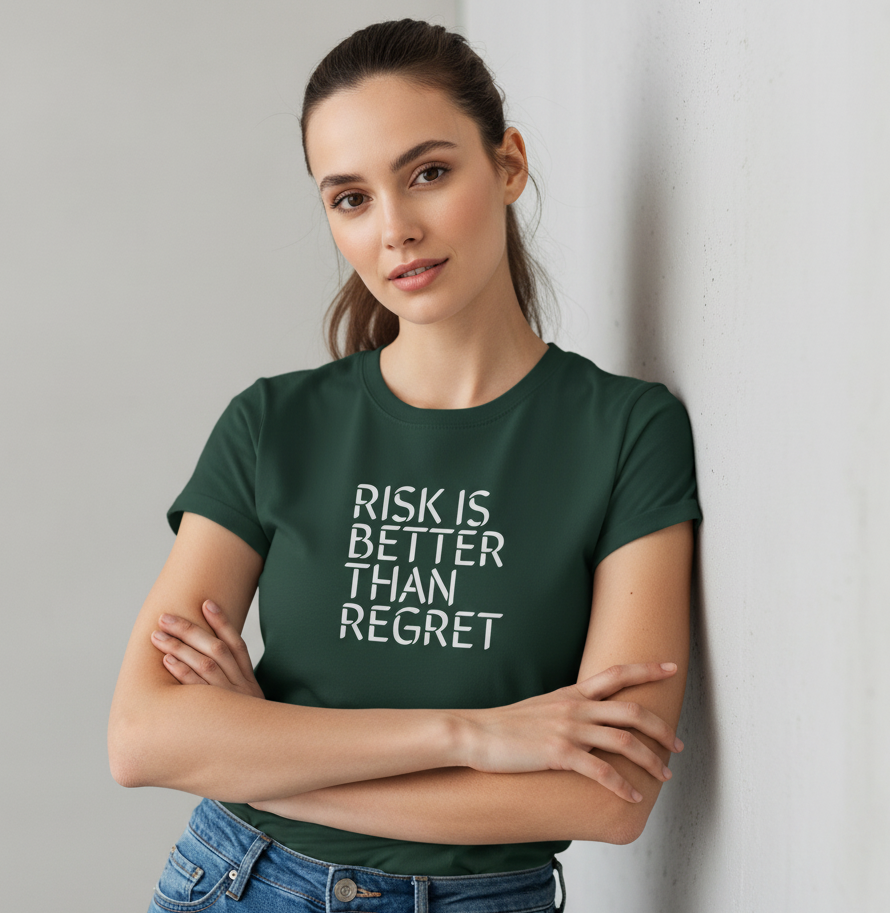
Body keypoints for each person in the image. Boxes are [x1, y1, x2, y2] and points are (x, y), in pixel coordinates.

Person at [108, 18, 702, 913]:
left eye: (427, 173)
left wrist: (264, 756)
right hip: (239, 884)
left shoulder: (625, 432)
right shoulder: (274, 423)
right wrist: (474, 734)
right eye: (350, 198)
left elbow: (605, 796)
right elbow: (141, 736)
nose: (396, 230)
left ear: (506, 164)